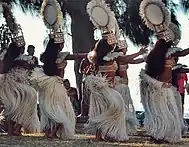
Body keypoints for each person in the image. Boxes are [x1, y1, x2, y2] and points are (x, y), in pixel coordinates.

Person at [139, 0, 189, 143]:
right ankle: (156, 136)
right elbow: (183, 53)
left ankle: (163, 136)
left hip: (168, 89)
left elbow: (183, 54)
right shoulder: (157, 56)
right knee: (159, 115)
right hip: (159, 90)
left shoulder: (170, 54)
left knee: (169, 115)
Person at [86, 0, 148, 141]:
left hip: (103, 89)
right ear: (109, 44)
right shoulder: (111, 57)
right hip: (106, 89)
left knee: (105, 111)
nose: (115, 44)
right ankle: (105, 135)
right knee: (113, 109)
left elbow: (127, 60)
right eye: (113, 43)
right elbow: (127, 59)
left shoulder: (98, 57)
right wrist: (139, 53)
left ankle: (102, 135)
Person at [30, 0, 88, 139]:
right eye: (62, 42)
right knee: (60, 109)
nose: (63, 44)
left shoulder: (48, 56)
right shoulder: (59, 56)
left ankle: (50, 132)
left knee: (50, 110)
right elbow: (75, 56)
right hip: (55, 85)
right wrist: (86, 54)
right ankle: (52, 132)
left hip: (47, 85)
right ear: (58, 43)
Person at [0, 3, 40, 136]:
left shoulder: (13, 58)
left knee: (17, 107)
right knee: (29, 99)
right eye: (22, 47)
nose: (24, 48)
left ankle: (14, 129)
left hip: (15, 86)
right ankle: (14, 129)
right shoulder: (14, 59)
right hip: (13, 86)